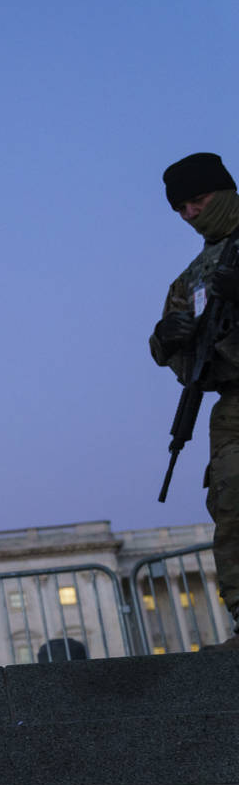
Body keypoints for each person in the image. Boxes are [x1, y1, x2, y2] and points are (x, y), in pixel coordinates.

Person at [151, 152, 239, 651]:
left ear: (224, 193)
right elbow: (164, 346)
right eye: (181, 209)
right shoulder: (193, 276)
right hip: (232, 398)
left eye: (199, 201)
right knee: (232, 501)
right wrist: (168, 337)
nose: (191, 215)